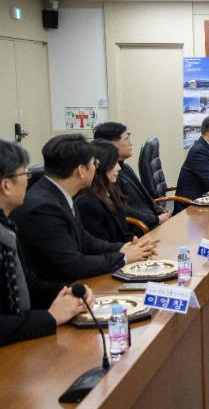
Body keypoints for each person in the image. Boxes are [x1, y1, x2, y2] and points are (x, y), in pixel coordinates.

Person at [12, 135, 157, 282]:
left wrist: (124, 247)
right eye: (95, 163)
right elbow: (74, 265)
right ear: (81, 170)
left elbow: (85, 240)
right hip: (58, 289)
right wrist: (124, 257)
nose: (96, 168)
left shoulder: (60, 193)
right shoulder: (44, 208)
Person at [0, 139, 94, 346]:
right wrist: (51, 317)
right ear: (6, 186)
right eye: (25, 175)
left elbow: (29, 283)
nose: (29, 181)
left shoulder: (6, 228)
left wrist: (67, 294)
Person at [93, 122, 170, 233]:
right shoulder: (109, 176)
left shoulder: (125, 167)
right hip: (141, 228)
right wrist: (156, 219)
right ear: (111, 145)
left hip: (152, 221)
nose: (130, 143)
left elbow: (146, 196)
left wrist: (159, 212)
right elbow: (123, 209)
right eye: (126, 139)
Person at [75, 140, 133, 243]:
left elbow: (124, 232)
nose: (119, 168)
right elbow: (100, 245)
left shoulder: (110, 190)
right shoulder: (87, 203)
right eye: (114, 163)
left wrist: (136, 244)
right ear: (100, 167)